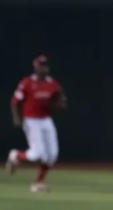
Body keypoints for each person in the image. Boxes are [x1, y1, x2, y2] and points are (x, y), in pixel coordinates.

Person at [6, 55, 67, 192]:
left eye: (45, 65)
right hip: (31, 120)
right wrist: (17, 117)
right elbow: (15, 101)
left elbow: (60, 96)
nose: (44, 68)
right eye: (41, 66)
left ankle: (38, 184)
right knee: (37, 154)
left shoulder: (52, 83)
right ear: (36, 67)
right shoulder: (27, 82)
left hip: (46, 119)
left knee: (52, 155)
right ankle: (15, 155)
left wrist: (60, 103)